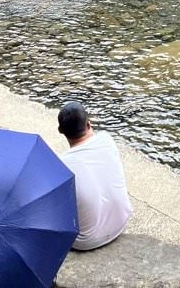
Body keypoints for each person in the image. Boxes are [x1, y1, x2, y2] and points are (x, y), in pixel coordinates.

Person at [57, 101, 132, 250]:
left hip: (86, 241)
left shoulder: (61, 165)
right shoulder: (107, 140)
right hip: (122, 221)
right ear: (88, 124)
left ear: (61, 131)